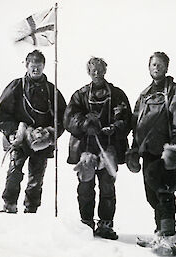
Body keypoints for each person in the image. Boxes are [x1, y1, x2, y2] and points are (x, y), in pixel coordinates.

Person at [127, 52, 176, 255]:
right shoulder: (145, 94)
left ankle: (169, 239)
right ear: (149, 68)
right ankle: (160, 234)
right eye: (153, 64)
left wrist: (175, 144)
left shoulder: (175, 91)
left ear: (167, 67)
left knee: (165, 193)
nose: (156, 67)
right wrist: (134, 147)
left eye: (160, 64)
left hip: (165, 151)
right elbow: (136, 122)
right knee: (152, 195)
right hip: (147, 151)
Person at [64, 57, 132, 240]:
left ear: (105, 70)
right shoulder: (80, 95)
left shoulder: (117, 95)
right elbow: (68, 118)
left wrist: (115, 127)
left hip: (108, 148)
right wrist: (85, 124)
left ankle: (106, 224)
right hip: (86, 148)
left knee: (107, 187)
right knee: (85, 186)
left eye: (100, 69)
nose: (97, 73)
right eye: (93, 70)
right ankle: (86, 222)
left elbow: (127, 119)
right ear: (88, 72)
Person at [0, 50, 66, 214]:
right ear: (26, 66)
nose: (36, 70)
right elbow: (0, 114)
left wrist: (51, 133)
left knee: (37, 177)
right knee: (14, 171)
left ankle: (31, 208)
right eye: (33, 66)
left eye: (39, 67)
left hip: (41, 141)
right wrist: (13, 131)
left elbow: (63, 117)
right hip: (19, 139)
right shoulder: (16, 87)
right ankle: (9, 204)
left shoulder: (51, 91)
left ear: (44, 66)